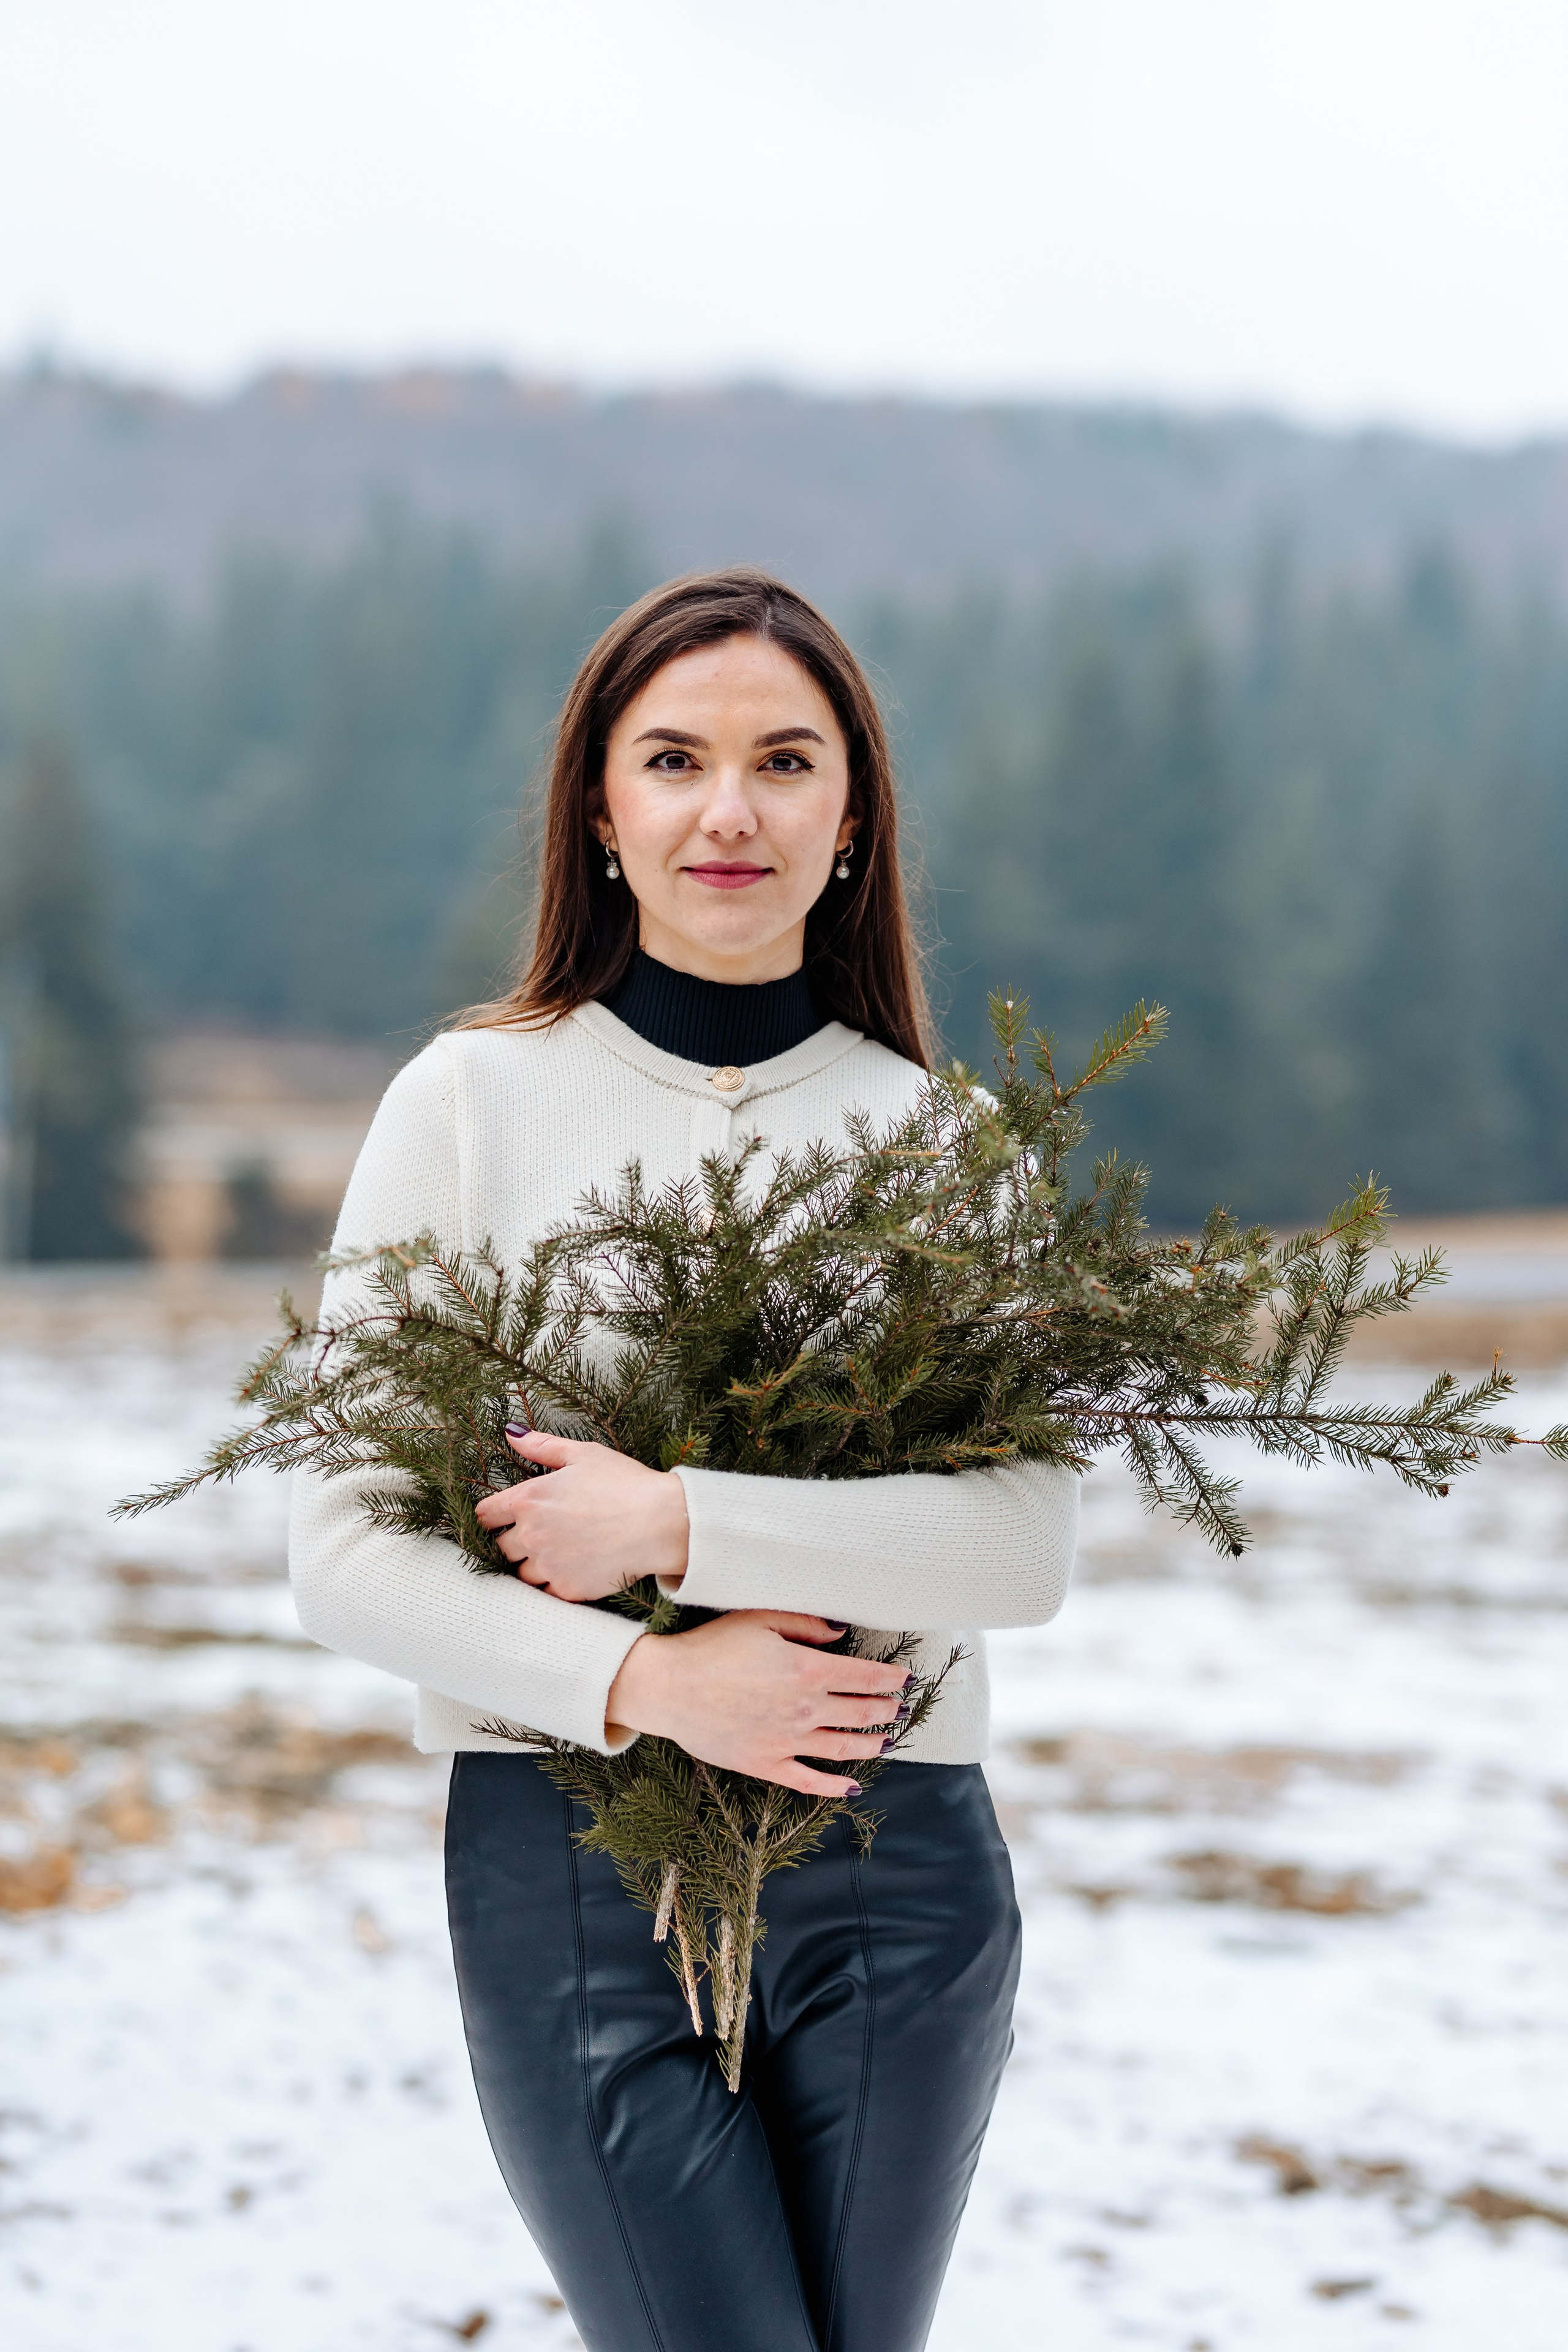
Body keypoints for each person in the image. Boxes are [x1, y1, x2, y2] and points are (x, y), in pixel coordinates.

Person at [289, 568, 1079, 2352]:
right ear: (603, 806)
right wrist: (646, 1678)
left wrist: (676, 1522)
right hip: (562, 1852)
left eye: (786, 761)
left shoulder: (951, 1150)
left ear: (853, 813)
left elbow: (1020, 1551)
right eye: (676, 760)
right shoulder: (470, 1105)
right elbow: (341, 1550)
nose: (731, 810)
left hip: (896, 1861)